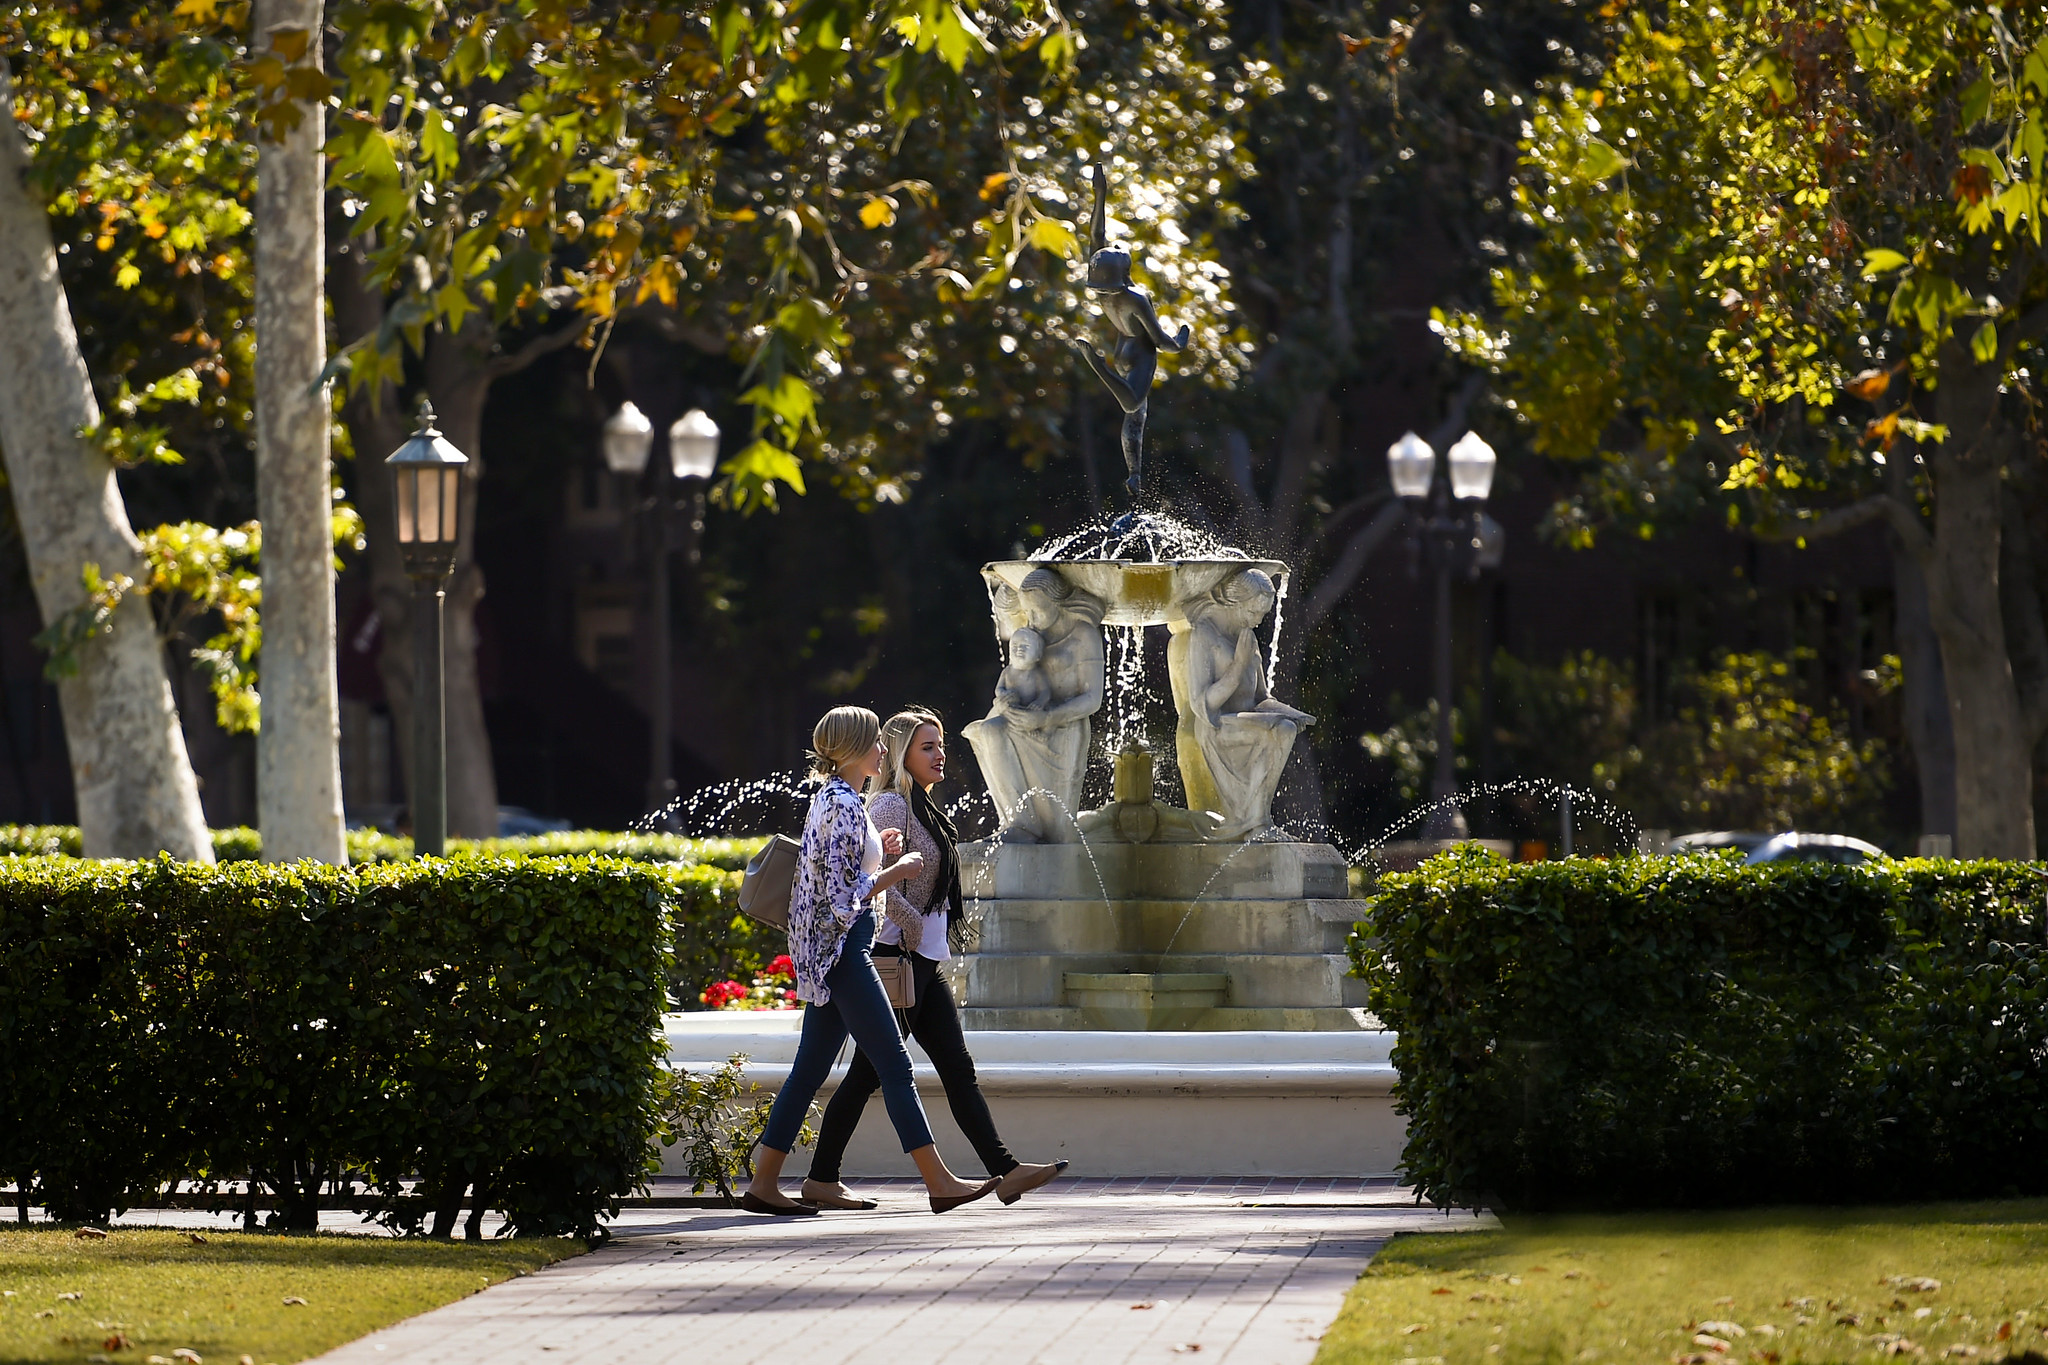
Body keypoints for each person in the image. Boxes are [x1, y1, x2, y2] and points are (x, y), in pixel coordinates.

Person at [800, 710, 1070, 1210]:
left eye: (940, 744)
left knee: (953, 1066)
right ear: (901, 754)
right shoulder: (888, 806)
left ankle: (1005, 1171)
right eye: (927, 746)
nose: (940, 754)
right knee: (870, 1071)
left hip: (921, 959)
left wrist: (924, 931)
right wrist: (913, 924)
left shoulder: (923, 807)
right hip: (896, 956)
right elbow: (873, 887)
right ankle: (822, 1176)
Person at [743, 706, 1002, 1217]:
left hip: (834, 952)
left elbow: (839, 875)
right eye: (876, 742)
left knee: (808, 1071)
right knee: (894, 1063)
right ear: (854, 747)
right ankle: (938, 1181)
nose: (884, 749)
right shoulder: (841, 804)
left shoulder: (841, 801)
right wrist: (898, 869)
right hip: (844, 953)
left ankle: (766, 1183)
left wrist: (879, 851)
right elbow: (844, 898)